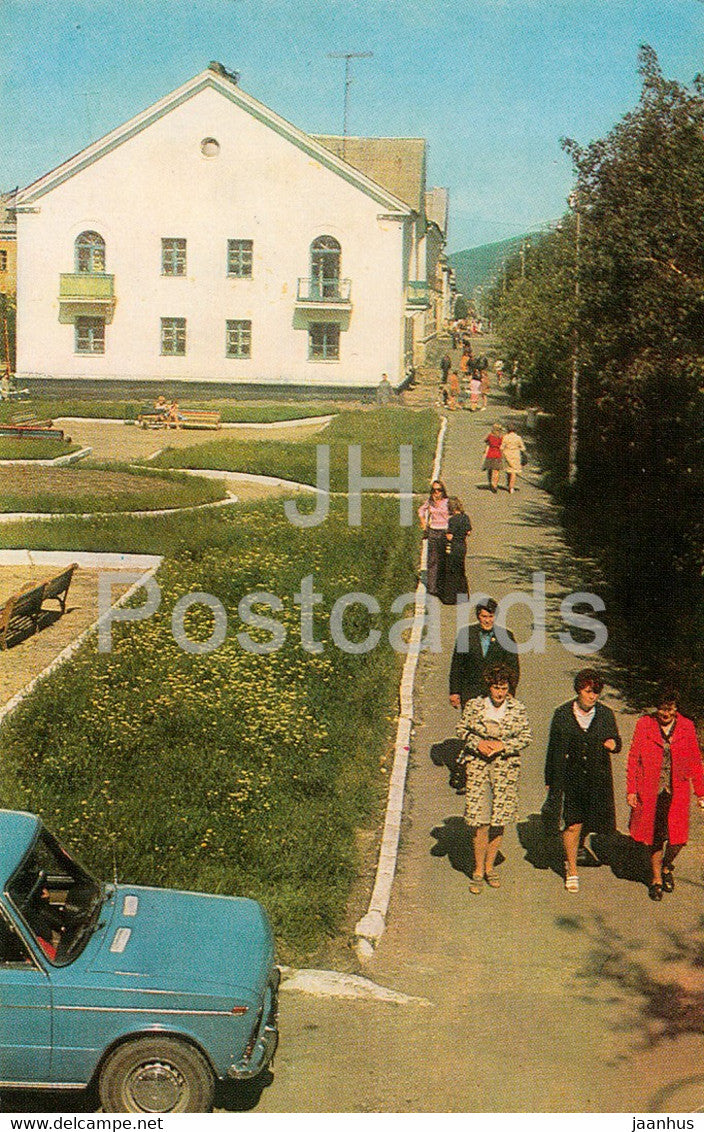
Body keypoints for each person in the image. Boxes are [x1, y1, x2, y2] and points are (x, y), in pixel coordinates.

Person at [456, 663, 532, 893]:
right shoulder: (475, 706)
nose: (500, 693)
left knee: (499, 819)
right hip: (478, 766)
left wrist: (503, 746)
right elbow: (461, 729)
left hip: (505, 769)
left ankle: (490, 867)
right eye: (496, 687)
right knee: (479, 820)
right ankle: (478, 869)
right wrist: (477, 743)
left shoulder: (518, 709)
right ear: (489, 686)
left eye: (504, 688)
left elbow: (526, 737)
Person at [544, 669, 622, 893]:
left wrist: (613, 744)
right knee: (572, 823)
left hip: (597, 778)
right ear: (579, 690)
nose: (593, 696)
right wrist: (550, 778)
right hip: (570, 777)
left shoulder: (605, 714)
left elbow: (617, 741)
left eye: (596, 692)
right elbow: (553, 749)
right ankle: (572, 870)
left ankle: (578, 846)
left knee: (589, 820)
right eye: (589, 691)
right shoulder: (562, 714)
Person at [627, 686, 704, 901]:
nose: (666, 714)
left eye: (670, 710)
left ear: (676, 709)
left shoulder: (687, 726)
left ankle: (666, 865)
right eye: (662, 709)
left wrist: (701, 792)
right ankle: (656, 879)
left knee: (678, 839)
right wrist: (631, 789)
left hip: (677, 789)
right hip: (651, 790)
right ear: (656, 709)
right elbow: (634, 757)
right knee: (655, 835)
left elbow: (695, 761)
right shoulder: (645, 724)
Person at [449, 598, 520, 710]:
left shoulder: (506, 636)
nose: (487, 621)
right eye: (484, 617)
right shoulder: (465, 634)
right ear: (478, 617)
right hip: (470, 692)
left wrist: (510, 691)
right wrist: (454, 692)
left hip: (496, 693)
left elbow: (513, 667)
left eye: (491, 616)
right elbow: (457, 666)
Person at [417, 480, 450, 597]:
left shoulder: (447, 502)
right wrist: (423, 522)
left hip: (445, 532)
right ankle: (432, 587)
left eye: (439, 490)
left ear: (443, 491)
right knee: (432, 559)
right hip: (433, 531)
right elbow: (421, 510)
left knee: (444, 559)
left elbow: (455, 513)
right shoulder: (430, 502)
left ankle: (443, 585)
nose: (436, 493)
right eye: (434, 490)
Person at [439, 497, 471, 606]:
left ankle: (450, 597)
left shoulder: (452, 520)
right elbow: (468, 532)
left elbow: (449, 537)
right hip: (462, 545)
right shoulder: (465, 517)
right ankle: (463, 596)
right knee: (461, 570)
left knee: (451, 571)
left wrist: (444, 534)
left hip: (454, 547)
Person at [501, 425, 528, 494]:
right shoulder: (518, 438)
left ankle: (508, 483)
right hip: (516, 455)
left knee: (508, 470)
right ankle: (511, 487)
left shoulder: (505, 437)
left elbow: (501, 447)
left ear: (508, 430)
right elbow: (523, 448)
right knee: (514, 471)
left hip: (507, 454)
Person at [483, 424, 503, 492]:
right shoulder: (501, 437)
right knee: (496, 471)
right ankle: (495, 484)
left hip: (490, 454)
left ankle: (490, 483)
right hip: (498, 454)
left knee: (489, 469)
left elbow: (485, 440)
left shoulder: (490, 436)